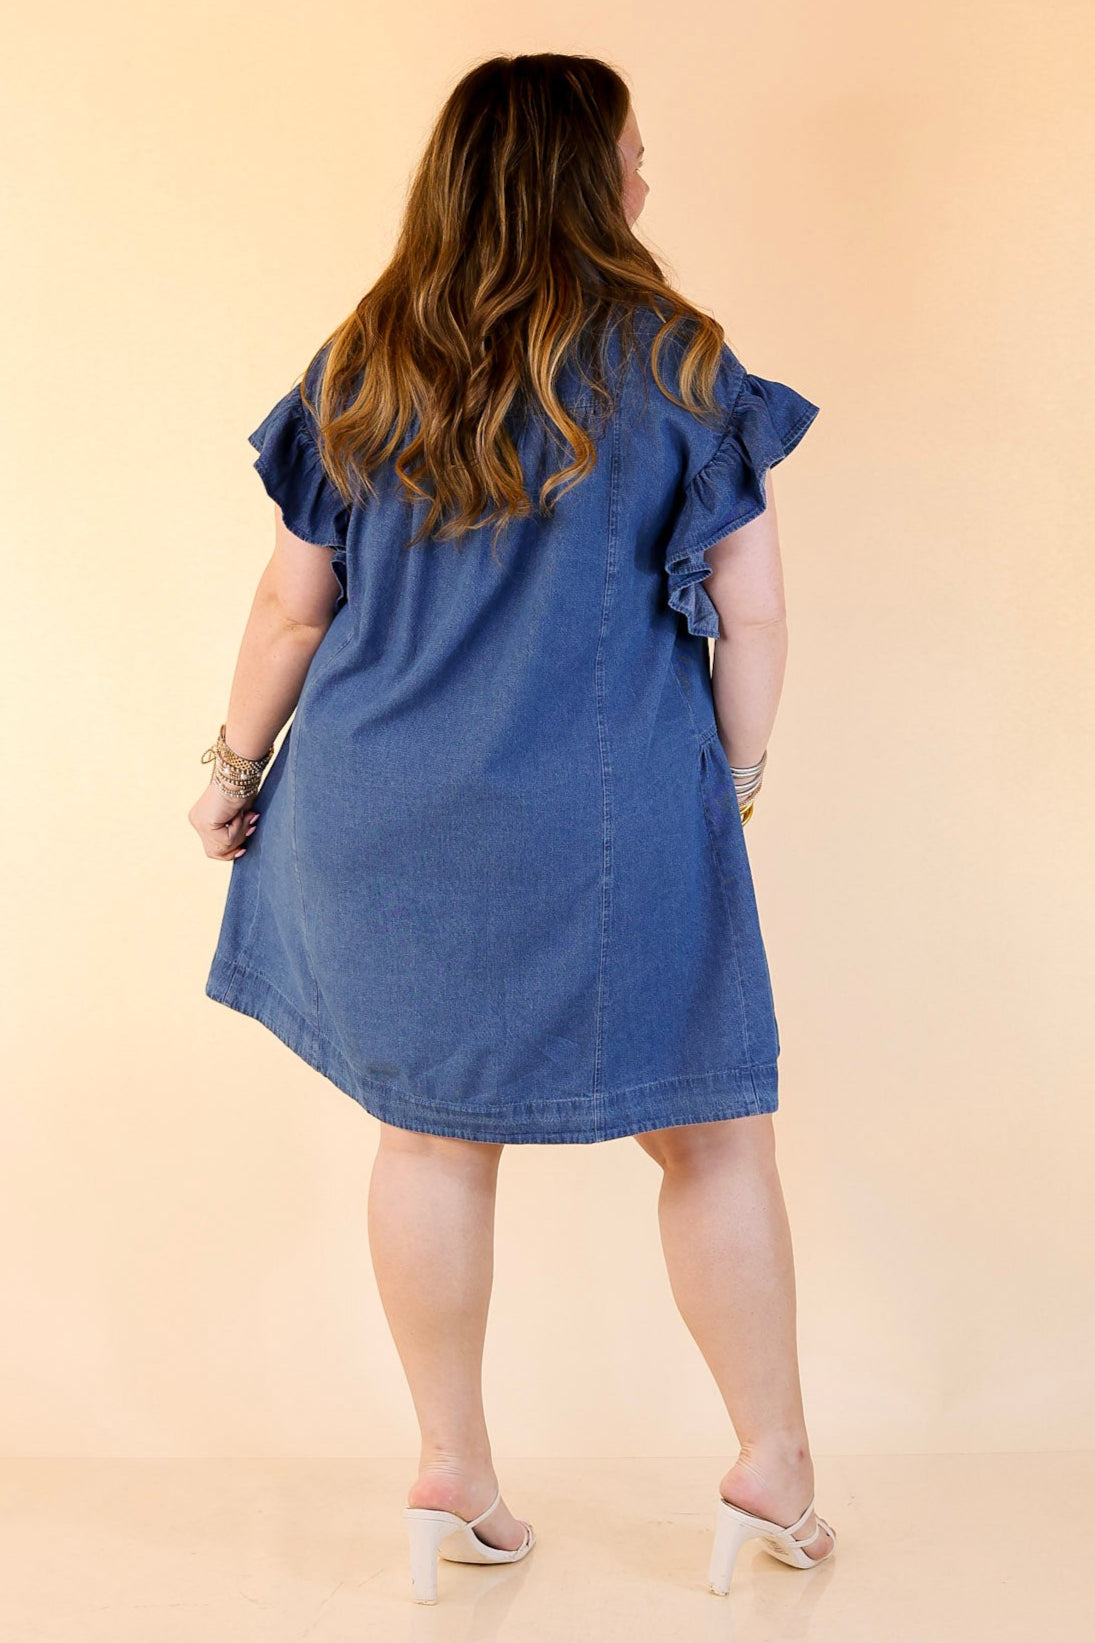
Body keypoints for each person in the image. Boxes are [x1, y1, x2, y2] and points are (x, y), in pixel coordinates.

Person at [189, 52, 835, 1604]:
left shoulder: (366, 359)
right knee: (712, 1134)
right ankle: (772, 1466)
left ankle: (450, 1472)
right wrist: (735, 780)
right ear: (582, 177)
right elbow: (751, 611)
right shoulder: (682, 365)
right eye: (631, 153)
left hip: (383, 806)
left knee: (429, 1133)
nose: (647, 178)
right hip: (612, 812)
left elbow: (291, 606)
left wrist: (230, 766)